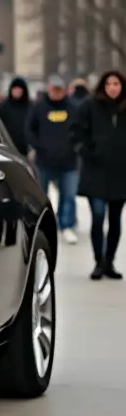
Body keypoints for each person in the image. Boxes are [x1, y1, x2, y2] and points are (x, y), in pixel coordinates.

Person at [72, 70, 126, 280]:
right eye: (109, 83)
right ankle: (98, 261)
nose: (113, 87)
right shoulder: (90, 106)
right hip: (96, 170)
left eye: (117, 83)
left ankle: (109, 261)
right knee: (97, 215)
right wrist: (87, 150)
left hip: (120, 173)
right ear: (103, 86)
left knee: (115, 219)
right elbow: (76, 131)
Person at [27, 74, 81, 244]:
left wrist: (75, 147)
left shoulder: (73, 107)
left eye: (60, 89)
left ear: (64, 90)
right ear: (49, 89)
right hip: (44, 160)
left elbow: (81, 129)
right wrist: (38, 146)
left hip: (69, 161)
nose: (56, 93)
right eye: (54, 89)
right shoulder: (39, 107)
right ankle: (44, 224)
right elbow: (29, 129)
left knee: (69, 196)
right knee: (42, 195)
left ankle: (66, 226)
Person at [0, 76, 31, 156]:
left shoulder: (30, 107)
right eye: (15, 89)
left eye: (19, 90)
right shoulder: (4, 107)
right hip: (8, 146)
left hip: (25, 148)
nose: (17, 92)